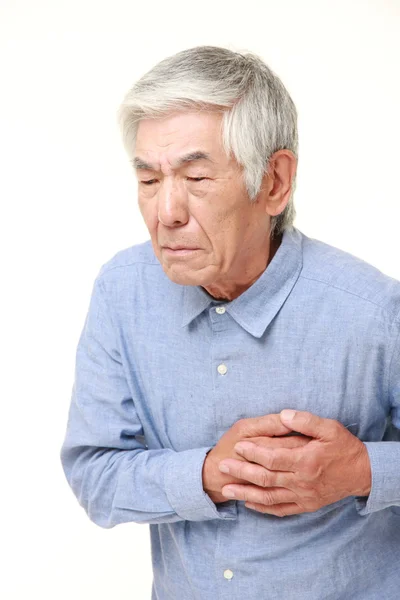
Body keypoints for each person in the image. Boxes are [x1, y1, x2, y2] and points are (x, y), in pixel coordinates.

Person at [60, 46, 400, 599]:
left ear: (274, 182)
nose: (165, 211)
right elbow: (94, 474)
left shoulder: (374, 310)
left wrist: (363, 469)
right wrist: (206, 476)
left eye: (195, 177)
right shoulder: (122, 293)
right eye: (148, 180)